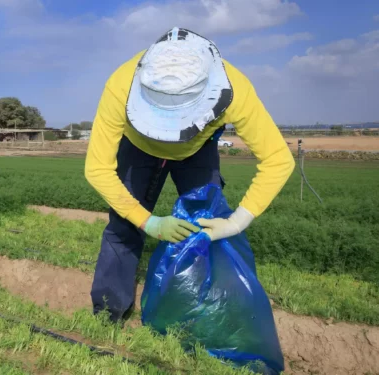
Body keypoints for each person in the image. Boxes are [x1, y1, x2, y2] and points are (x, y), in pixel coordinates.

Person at [84, 27, 295, 323]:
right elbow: (97, 169)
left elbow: (277, 159)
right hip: (138, 149)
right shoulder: (121, 84)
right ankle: (108, 312)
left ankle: (200, 315)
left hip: (197, 149)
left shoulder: (235, 90)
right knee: (123, 227)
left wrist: (236, 222)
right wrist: (149, 221)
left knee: (205, 225)